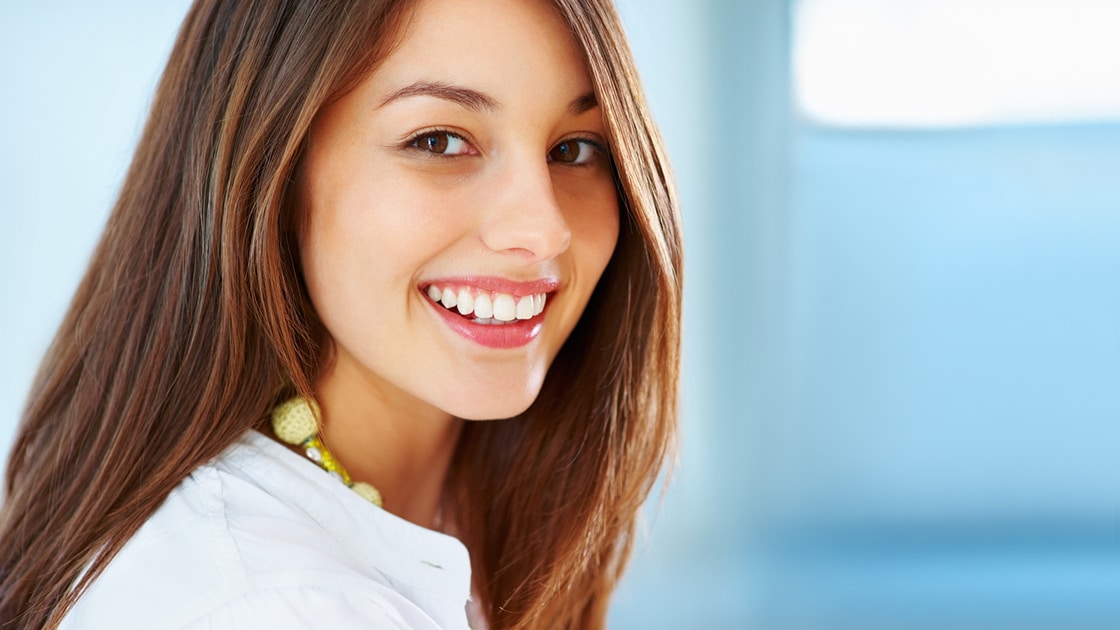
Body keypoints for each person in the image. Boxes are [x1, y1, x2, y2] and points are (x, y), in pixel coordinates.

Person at [0, 0, 681, 627]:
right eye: (440, 141)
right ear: (272, 169)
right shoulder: (278, 607)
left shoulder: (457, 520)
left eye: (575, 149)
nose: (544, 229)